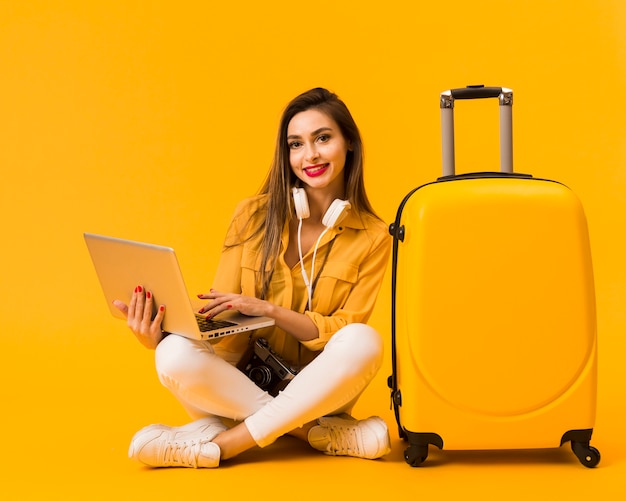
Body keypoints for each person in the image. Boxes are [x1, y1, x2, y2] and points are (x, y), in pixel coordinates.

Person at [113, 87, 392, 468]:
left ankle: (220, 445)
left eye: (322, 138)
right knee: (170, 353)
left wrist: (270, 310)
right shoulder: (251, 215)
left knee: (364, 340)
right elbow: (220, 312)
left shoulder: (374, 237)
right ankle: (316, 432)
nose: (309, 155)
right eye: (296, 144)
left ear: (350, 145)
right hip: (238, 385)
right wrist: (159, 334)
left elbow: (342, 328)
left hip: (319, 388)